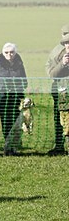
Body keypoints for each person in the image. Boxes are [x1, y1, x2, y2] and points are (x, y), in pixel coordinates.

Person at [0, 43, 27, 156]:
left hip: (16, 98)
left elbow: (25, 82)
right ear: (3, 53)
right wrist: (1, 87)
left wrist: (16, 87)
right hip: (2, 99)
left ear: (15, 53)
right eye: (6, 52)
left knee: (16, 124)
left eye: (12, 52)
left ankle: (13, 147)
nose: (9, 54)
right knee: (6, 123)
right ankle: (7, 147)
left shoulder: (20, 65)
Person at [45, 25, 69, 155]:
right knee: (60, 119)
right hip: (61, 91)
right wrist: (63, 64)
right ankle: (59, 145)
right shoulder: (57, 53)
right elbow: (52, 74)